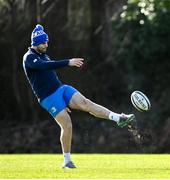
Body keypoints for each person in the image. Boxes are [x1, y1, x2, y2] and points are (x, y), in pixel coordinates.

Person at [23, 24, 135, 169]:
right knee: (67, 124)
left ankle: (119, 118)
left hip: (61, 89)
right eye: (43, 42)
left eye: (46, 42)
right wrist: (68, 62)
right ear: (36, 42)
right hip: (48, 98)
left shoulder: (43, 54)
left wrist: (64, 101)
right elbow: (46, 66)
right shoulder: (29, 57)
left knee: (86, 103)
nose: (46, 44)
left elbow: (50, 73)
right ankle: (67, 161)